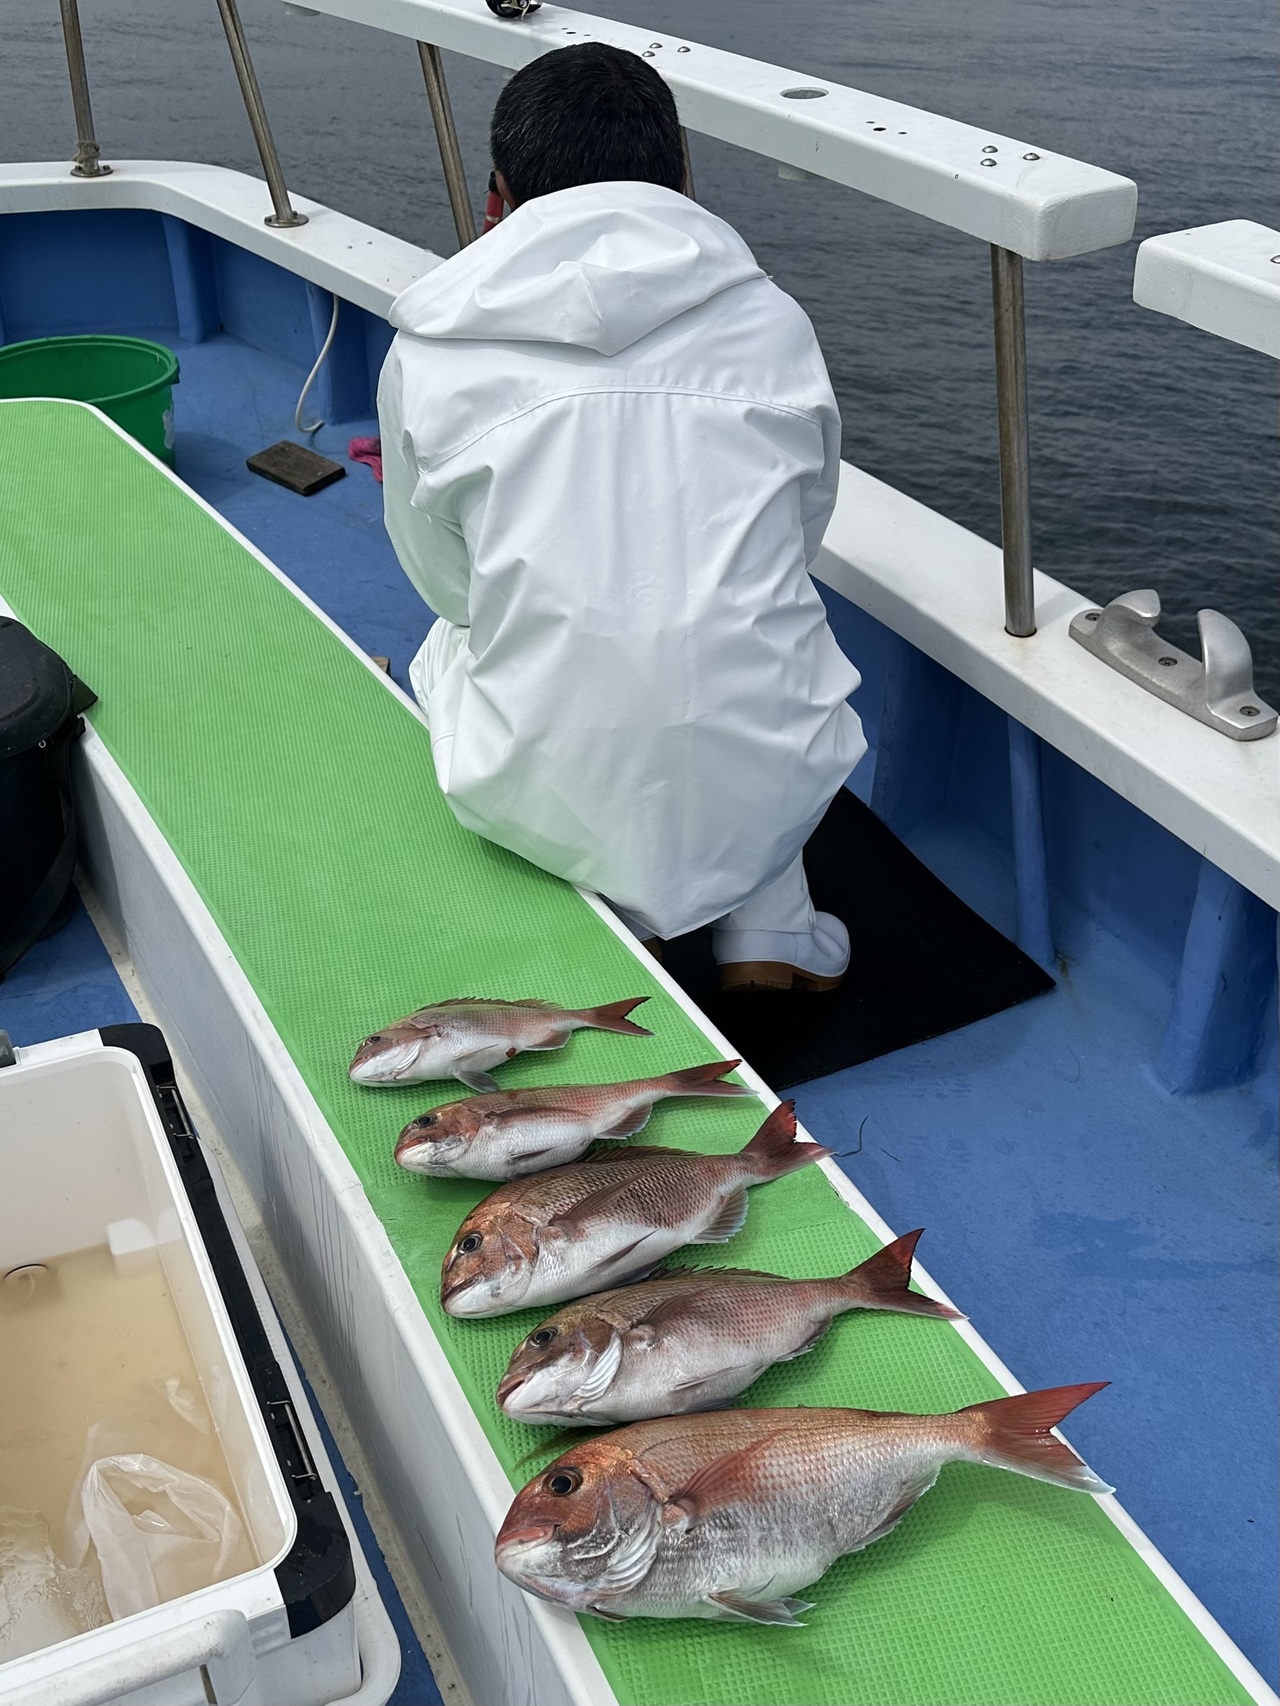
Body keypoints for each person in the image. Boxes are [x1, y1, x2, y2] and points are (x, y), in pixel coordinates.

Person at [378, 42, 866, 991]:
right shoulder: (774, 323)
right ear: (684, 180)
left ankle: (617, 920)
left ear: (497, 200)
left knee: (453, 644)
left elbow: (449, 585)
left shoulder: (431, 353)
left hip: (551, 787)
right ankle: (773, 931)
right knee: (740, 645)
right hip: (775, 767)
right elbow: (800, 533)